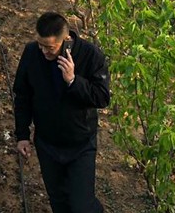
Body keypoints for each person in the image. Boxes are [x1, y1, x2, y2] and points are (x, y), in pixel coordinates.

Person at [13, 12, 110, 213]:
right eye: (40, 45)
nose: (43, 52)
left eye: (49, 47)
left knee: (82, 205)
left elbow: (102, 97)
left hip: (80, 144)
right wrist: (22, 134)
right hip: (47, 144)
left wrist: (74, 81)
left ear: (66, 40)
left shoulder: (90, 55)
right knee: (58, 201)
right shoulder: (32, 53)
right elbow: (23, 96)